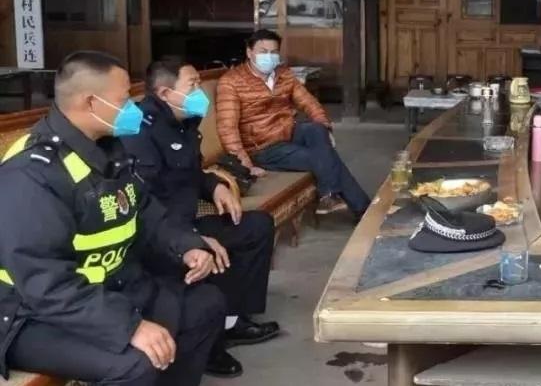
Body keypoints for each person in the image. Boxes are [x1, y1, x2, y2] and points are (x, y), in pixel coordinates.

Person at [0, 51, 224, 386]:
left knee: (205, 306)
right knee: (136, 364)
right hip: (32, 314)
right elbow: (45, 282)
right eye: (124, 100)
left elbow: (144, 209)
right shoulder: (32, 173)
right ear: (91, 102)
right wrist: (128, 326)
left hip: (108, 287)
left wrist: (186, 245)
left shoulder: (110, 148)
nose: (132, 107)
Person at [122, 60, 280, 378]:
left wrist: (215, 186)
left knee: (256, 226)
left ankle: (232, 321)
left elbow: (191, 171)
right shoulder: (139, 130)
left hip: (188, 219)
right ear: (165, 93)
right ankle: (209, 345)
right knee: (208, 254)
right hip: (162, 235)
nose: (200, 92)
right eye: (192, 85)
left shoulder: (184, 121)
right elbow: (144, 203)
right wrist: (191, 239)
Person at [216, 29, 369, 216]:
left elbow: (308, 102)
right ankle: (359, 208)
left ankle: (329, 196)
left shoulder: (284, 75)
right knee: (322, 156)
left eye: (273, 52)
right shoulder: (231, 82)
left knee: (317, 129)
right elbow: (228, 128)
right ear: (249, 52)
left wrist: (324, 126)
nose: (268, 57)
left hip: (288, 132)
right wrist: (246, 166)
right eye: (263, 52)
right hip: (262, 147)